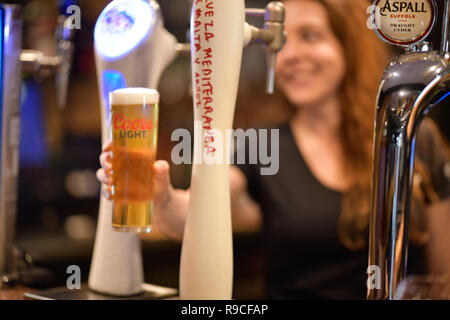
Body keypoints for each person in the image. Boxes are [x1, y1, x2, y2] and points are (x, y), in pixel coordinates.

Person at [97, 0, 450, 299]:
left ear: (350, 45)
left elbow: (444, 274)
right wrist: (161, 196)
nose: (291, 55)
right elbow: (196, 214)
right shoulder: (265, 143)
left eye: (310, 36)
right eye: (283, 43)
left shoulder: (412, 133)